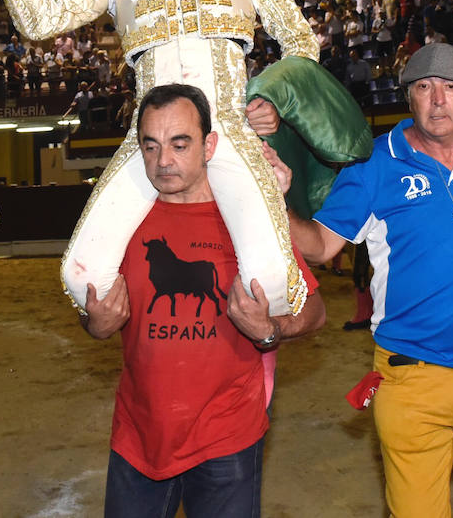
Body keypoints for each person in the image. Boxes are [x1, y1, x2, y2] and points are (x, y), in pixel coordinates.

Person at [0, 0, 317, 316]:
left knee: (273, 286)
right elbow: (40, 19)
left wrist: (276, 100)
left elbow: (299, 40)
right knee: (84, 280)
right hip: (151, 140)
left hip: (230, 131)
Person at [289, 43, 453, 518]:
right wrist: (278, 200)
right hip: (412, 376)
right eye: (424, 87)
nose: (437, 99)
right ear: (409, 99)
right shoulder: (374, 165)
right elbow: (319, 246)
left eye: (450, 87)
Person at [82, 83, 325, 518]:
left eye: (180, 144)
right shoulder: (123, 222)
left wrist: (271, 331)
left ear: (209, 144)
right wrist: (95, 325)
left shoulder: (246, 218)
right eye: (151, 146)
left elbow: (314, 311)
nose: (164, 161)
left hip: (226, 438)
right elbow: (95, 314)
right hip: (139, 437)